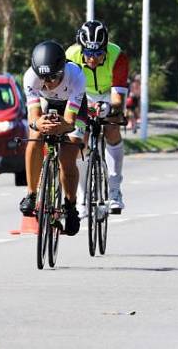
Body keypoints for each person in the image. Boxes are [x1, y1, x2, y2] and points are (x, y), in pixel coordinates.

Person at [19, 40, 87, 236]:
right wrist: (39, 124)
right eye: (44, 78)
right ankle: (31, 194)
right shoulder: (30, 78)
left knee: (68, 154)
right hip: (46, 104)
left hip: (72, 108)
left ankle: (71, 205)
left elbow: (70, 121)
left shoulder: (76, 76)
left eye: (53, 77)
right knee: (35, 135)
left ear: (63, 69)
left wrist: (62, 126)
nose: (48, 83)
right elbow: (33, 117)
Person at [65, 20, 129, 216]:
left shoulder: (118, 56)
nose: (93, 59)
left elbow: (118, 98)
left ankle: (115, 191)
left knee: (112, 128)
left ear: (105, 50)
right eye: (89, 53)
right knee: (79, 141)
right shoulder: (70, 56)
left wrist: (110, 107)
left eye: (98, 53)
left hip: (108, 94)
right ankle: (83, 196)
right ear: (81, 48)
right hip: (81, 94)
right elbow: (69, 91)